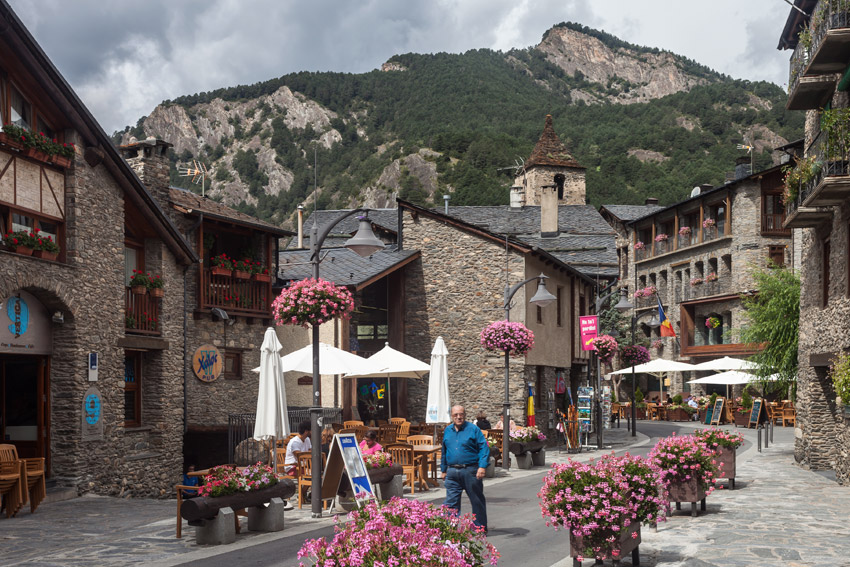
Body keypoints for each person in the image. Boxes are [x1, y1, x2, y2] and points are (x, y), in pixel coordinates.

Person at [441, 405, 489, 533]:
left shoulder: (473, 429)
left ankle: (479, 528)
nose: (458, 417)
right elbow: (444, 451)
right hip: (452, 472)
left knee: (476, 500)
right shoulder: (447, 430)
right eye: (455, 415)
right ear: (451, 416)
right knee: (451, 502)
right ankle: (450, 529)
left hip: (470, 470)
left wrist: (482, 466)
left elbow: (483, 448)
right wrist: (443, 469)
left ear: (465, 415)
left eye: (461, 414)